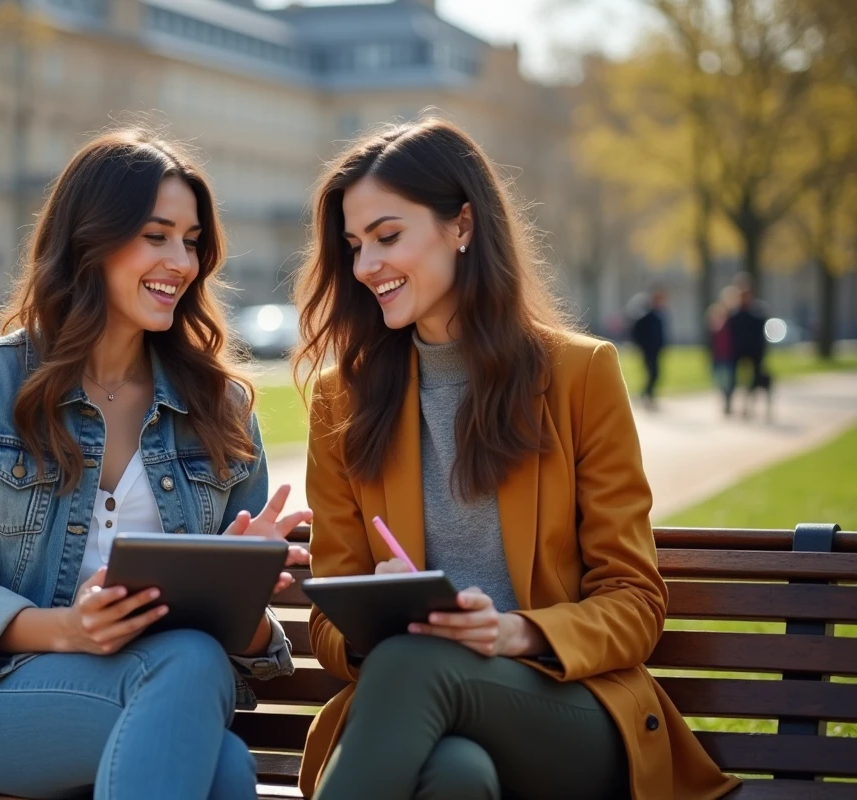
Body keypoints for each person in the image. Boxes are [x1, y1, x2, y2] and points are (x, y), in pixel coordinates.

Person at [291, 119, 737, 800]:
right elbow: (327, 622)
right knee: (456, 778)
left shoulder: (578, 374)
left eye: (386, 237)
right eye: (353, 247)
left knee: (416, 665)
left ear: (462, 225)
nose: (364, 267)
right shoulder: (340, 401)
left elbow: (636, 603)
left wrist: (512, 633)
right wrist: (371, 619)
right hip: (425, 719)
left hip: (568, 710)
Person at [0, 128, 312, 800]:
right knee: (204, 717)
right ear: (91, 240)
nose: (182, 261)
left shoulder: (221, 408)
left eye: (192, 240)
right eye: (157, 234)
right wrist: (69, 629)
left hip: (171, 688)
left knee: (220, 757)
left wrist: (245, 590)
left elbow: (247, 652)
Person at [724, 273, 771, 420]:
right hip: (737, 351)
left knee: (754, 379)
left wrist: (762, 352)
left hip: (754, 351)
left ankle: (749, 405)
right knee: (733, 378)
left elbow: (761, 335)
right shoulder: (733, 314)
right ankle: (729, 403)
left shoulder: (757, 313)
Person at [630, 283, 667, 409]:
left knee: (656, 373)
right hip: (648, 349)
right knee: (652, 373)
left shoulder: (661, 314)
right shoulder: (647, 316)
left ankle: (647, 395)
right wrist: (640, 345)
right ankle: (646, 395)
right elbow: (636, 331)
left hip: (657, 349)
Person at [706, 298, 732, 410]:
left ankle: (727, 399)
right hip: (717, 358)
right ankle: (724, 397)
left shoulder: (729, 326)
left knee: (728, 381)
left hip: (727, 357)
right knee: (719, 380)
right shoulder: (712, 329)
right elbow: (710, 346)